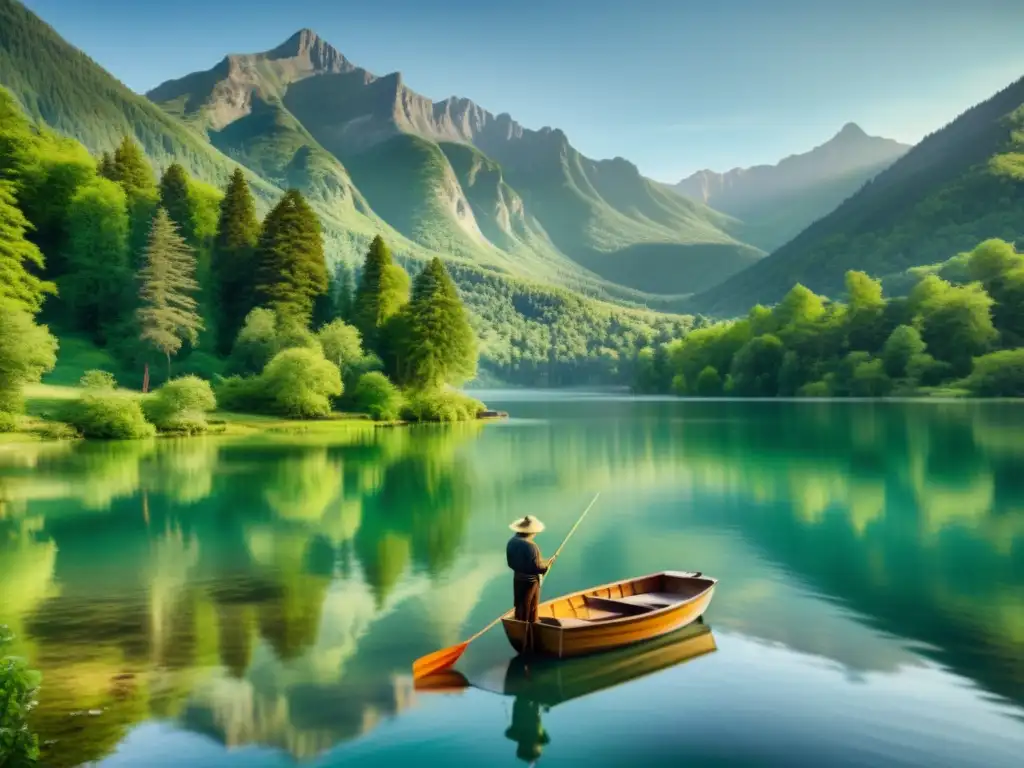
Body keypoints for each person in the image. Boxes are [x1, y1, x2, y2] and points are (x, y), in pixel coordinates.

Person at [506, 515, 551, 623]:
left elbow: (511, 563)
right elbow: (537, 567)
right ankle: (529, 629)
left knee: (520, 605)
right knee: (530, 608)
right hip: (530, 582)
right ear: (531, 532)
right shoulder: (531, 546)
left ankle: (519, 625)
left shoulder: (511, 542)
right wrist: (547, 566)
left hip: (517, 579)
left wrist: (546, 562)